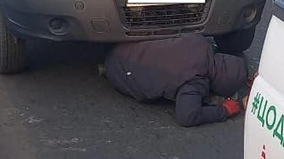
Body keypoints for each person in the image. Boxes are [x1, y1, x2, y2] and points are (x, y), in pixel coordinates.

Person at [102, 34, 250, 127]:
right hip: (119, 75)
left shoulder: (201, 42)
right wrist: (223, 111)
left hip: (122, 48)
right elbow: (187, 116)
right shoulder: (197, 82)